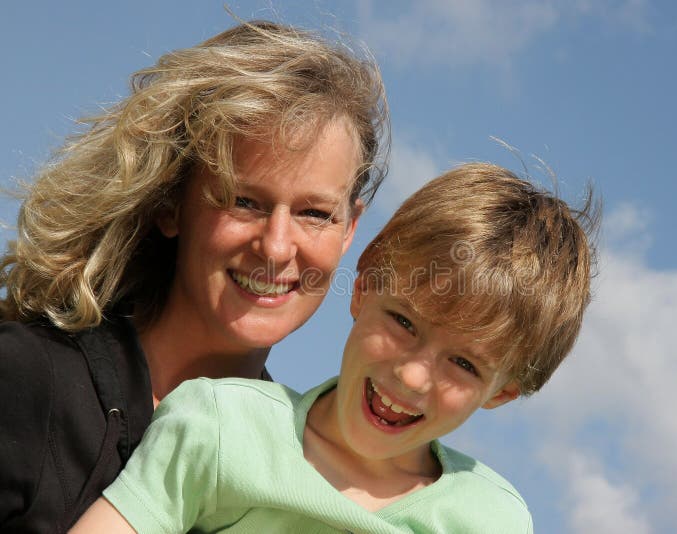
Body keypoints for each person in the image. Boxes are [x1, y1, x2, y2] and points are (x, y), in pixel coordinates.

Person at [0, 20, 388, 532]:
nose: (275, 246)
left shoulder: (300, 473)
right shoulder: (25, 378)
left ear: (350, 229)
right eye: (242, 201)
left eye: (315, 213)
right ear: (170, 203)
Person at [72, 162, 599, 533]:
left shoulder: (488, 520)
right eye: (403, 322)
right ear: (365, 286)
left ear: (503, 391)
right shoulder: (220, 426)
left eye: (463, 363)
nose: (413, 377)